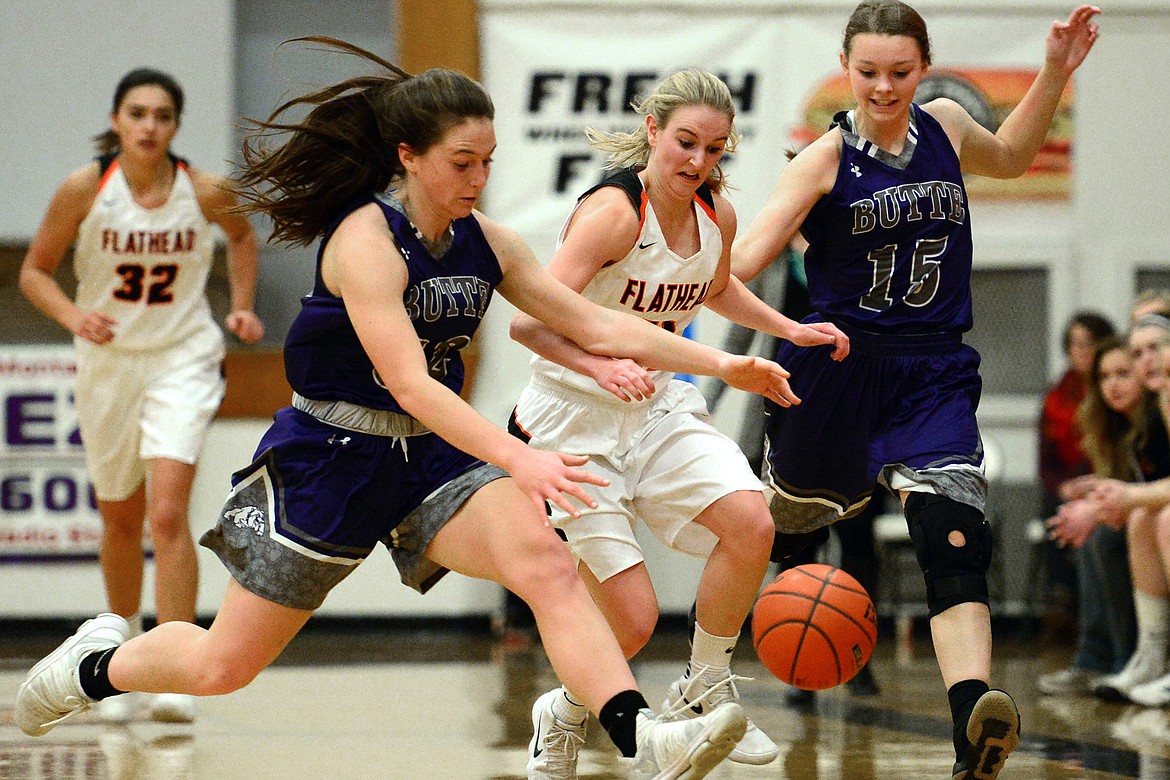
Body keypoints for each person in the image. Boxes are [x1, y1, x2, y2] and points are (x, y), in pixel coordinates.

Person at [13, 39, 814, 778]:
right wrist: (518, 455)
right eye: (462, 162)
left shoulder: (490, 241)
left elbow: (598, 322)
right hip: (331, 455)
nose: (478, 178)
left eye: (488, 162)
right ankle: (94, 665)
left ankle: (644, 736)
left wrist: (726, 361)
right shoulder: (364, 238)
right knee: (224, 665)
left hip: (429, 458)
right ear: (409, 156)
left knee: (543, 564)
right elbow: (410, 384)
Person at [730, 3, 1100, 777]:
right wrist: (768, 329)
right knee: (782, 531)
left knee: (952, 537)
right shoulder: (822, 161)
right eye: (868, 72)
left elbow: (1013, 158)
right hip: (836, 368)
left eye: (900, 72)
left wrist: (1057, 70)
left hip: (931, 367)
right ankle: (709, 679)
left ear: (923, 68)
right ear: (847, 68)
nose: (885, 86)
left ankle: (975, 718)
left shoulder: (946, 128)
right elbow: (736, 269)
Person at [508, 68, 849, 776]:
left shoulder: (714, 215)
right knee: (629, 621)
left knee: (752, 521)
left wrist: (792, 327)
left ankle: (701, 687)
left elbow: (717, 287)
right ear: (654, 131)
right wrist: (599, 365)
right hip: (573, 420)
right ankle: (563, 712)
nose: (698, 162)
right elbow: (525, 324)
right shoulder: (612, 214)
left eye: (715, 149)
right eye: (686, 143)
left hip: (658, 405)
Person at [17, 67, 266, 724]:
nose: (149, 125)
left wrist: (239, 308)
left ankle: (174, 667)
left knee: (166, 515)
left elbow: (243, 237)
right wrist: (75, 318)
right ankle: (115, 653)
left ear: (175, 126)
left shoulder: (205, 191)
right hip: (107, 365)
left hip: (182, 357)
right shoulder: (85, 187)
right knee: (122, 519)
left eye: (161, 115)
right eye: (137, 114)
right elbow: (34, 271)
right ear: (118, 120)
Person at [1038, 337, 1146, 696]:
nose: (1112, 384)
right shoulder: (1112, 425)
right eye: (1104, 377)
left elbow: (1147, 483)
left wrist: (1097, 508)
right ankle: (1095, 660)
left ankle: (1127, 660)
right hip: (1146, 512)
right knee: (1093, 538)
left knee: (1104, 536)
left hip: (1152, 516)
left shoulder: (1154, 419)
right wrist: (1093, 489)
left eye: (1122, 374)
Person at [1037, 311, 1117, 644]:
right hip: (1068, 484)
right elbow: (1046, 463)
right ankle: (1061, 596)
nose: (1081, 351)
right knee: (1053, 508)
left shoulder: (1111, 388)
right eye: (1075, 344)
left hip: (1106, 481)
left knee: (1093, 525)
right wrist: (1065, 487)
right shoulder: (1056, 397)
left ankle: (1091, 627)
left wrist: (1093, 484)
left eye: (1089, 344)